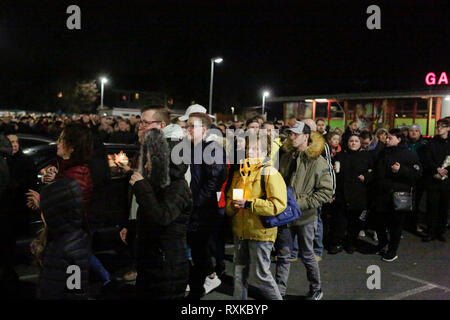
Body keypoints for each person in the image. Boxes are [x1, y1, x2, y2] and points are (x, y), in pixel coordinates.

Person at [26, 123, 114, 293]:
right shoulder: (69, 172)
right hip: (64, 243)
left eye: (61, 139)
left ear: (72, 147)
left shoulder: (76, 176)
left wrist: (41, 202)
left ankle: (107, 279)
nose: (57, 143)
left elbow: (68, 213)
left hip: (69, 245)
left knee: (69, 289)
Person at [126, 129, 193, 299]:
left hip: (167, 266)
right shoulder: (157, 184)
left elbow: (162, 217)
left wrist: (141, 188)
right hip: (153, 263)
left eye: (149, 160)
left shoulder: (178, 187)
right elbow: (148, 214)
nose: (146, 165)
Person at [226, 131, 287, 300]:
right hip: (240, 230)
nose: (250, 152)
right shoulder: (240, 172)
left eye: (255, 149)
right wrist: (232, 206)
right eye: (248, 148)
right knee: (239, 274)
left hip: (261, 233)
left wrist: (249, 203)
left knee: (261, 276)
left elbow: (278, 205)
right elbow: (230, 198)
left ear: (265, 152)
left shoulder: (270, 173)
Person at [277, 121, 333, 300]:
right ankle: (279, 292)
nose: (291, 137)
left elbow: (326, 192)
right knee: (283, 255)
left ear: (306, 136)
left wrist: (298, 204)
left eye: (295, 134)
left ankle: (316, 289)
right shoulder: (286, 157)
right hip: (285, 216)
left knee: (307, 254)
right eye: (290, 134)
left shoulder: (318, 160)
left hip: (305, 216)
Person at [185, 112, 227, 299]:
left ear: (204, 129)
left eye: (191, 126)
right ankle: (205, 278)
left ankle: (202, 285)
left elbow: (213, 181)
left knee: (199, 246)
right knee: (197, 247)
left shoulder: (212, 149)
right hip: (194, 207)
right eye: (187, 126)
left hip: (204, 209)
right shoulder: (189, 148)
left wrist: (196, 203)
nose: (187, 130)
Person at [33, 178, 91, 299]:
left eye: (45, 211)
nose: (42, 215)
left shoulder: (67, 250)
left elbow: (75, 291)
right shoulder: (69, 238)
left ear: (55, 214)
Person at [373, 129, 422, 262]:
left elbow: (417, 173)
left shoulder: (409, 154)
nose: (387, 140)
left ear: (399, 139)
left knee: (396, 225)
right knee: (379, 222)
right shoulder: (383, 152)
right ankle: (383, 243)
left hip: (398, 194)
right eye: (386, 138)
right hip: (382, 194)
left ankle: (392, 251)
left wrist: (401, 170)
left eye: (390, 138)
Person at [327, 134, 373, 254]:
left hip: (359, 194)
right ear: (347, 143)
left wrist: (366, 177)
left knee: (355, 222)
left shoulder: (366, 156)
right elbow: (333, 175)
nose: (353, 143)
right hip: (342, 192)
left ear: (360, 143)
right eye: (351, 141)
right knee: (339, 221)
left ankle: (350, 243)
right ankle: (336, 243)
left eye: (356, 141)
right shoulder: (340, 156)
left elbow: (373, 172)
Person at [422, 118, 449, 242]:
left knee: (444, 207)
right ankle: (430, 232)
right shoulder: (431, 142)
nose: (439, 129)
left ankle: (440, 231)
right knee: (432, 206)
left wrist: (445, 171)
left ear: (448, 128)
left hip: (447, 180)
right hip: (433, 178)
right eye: (438, 126)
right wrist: (436, 170)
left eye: (442, 126)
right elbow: (427, 159)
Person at [406, 123, 428, 234]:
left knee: (417, 202)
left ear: (420, 132)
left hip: (419, 178)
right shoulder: (404, 143)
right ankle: (405, 223)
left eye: (416, 131)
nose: (413, 133)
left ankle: (414, 224)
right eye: (411, 131)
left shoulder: (425, 145)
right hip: (406, 176)